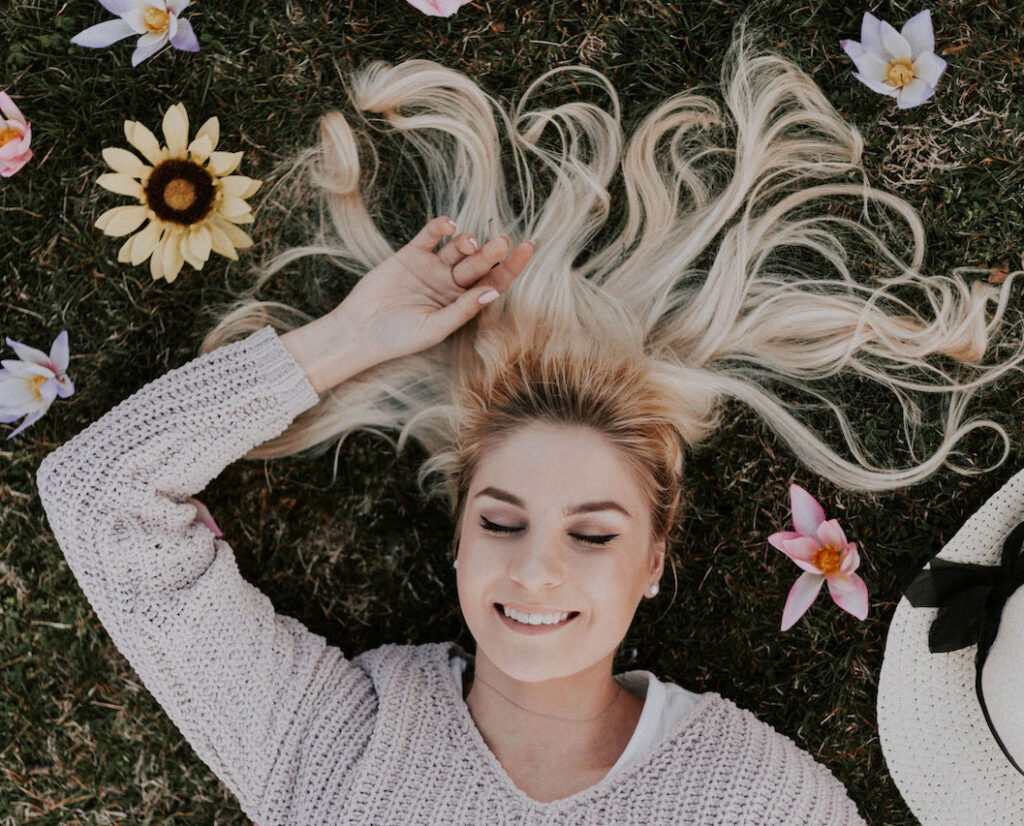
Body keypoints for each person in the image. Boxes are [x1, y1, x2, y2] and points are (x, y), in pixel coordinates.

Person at [36, 17, 1024, 825]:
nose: (535, 569)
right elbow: (101, 499)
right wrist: (345, 338)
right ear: (457, 541)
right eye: (501, 521)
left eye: (592, 532)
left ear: (650, 560)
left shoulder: (755, 801)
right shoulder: (338, 749)